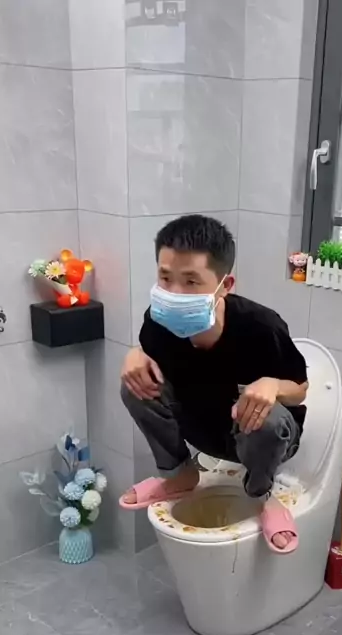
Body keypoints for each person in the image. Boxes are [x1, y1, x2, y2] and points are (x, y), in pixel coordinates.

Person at [120, 215, 308, 554]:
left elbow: (301, 389)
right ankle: (180, 475)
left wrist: (273, 385)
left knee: (266, 417)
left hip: (259, 440)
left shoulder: (261, 327)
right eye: (165, 277)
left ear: (226, 284)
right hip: (202, 430)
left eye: (191, 281)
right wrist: (135, 355)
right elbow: (152, 366)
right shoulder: (159, 320)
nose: (174, 293)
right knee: (135, 383)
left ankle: (262, 496)